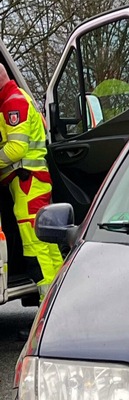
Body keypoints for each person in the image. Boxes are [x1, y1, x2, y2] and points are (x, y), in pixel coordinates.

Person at [0, 65, 63, 299]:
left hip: (28, 184)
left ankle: (45, 313)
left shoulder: (11, 102)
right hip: (34, 183)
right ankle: (58, 305)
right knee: (48, 247)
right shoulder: (19, 97)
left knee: (36, 250)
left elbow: (16, 149)